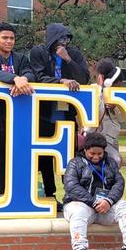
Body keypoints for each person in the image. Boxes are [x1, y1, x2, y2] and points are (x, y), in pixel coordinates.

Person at [62, 132, 126, 250]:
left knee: (125, 206)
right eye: (92, 153)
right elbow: (71, 186)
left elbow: (119, 183)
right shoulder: (75, 163)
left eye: (100, 153)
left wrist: (109, 201)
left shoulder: (110, 163)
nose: (96, 157)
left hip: (105, 207)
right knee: (78, 212)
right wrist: (93, 202)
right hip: (82, 205)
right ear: (85, 149)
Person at [29, 23, 91, 211]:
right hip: (44, 114)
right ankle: (49, 195)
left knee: (69, 157)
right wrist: (61, 81)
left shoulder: (74, 54)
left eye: (67, 39)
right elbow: (38, 77)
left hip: (66, 114)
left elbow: (84, 78)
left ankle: (72, 195)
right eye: (60, 39)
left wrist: (68, 60)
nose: (64, 43)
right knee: (46, 157)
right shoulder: (38, 52)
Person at [0, 22, 34, 196]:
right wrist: (15, 78)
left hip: (19, 114)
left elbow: (31, 73)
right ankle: (3, 192)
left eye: (12, 38)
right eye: (5, 38)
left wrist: (22, 79)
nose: (9, 41)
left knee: (20, 154)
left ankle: (21, 192)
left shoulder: (21, 58)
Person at [84, 58, 124, 165]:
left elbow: (122, 118)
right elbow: (93, 114)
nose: (118, 87)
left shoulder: (119, 96)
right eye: (117, 85)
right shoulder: (92, 91)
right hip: (91, 137)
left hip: (110, 139)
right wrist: (101, 92)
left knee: (116, 161)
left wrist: (114, 108)